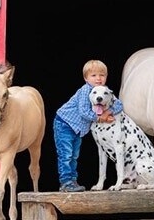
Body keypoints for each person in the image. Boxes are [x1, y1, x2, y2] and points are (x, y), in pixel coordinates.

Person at [53, 59, 124, 192]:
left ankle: (72, 180)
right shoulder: (86, 90)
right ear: (86, 78)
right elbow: (84, 112)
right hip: (65, 124)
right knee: (66, 154)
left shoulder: (105, 91)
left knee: (74, 155)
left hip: (78, 130)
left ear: (106, 77)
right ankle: (65, 182)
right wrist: (101, 118)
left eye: (102, 75)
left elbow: (119, 104)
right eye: (93, 75)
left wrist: (108, 111)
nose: (98, 78)